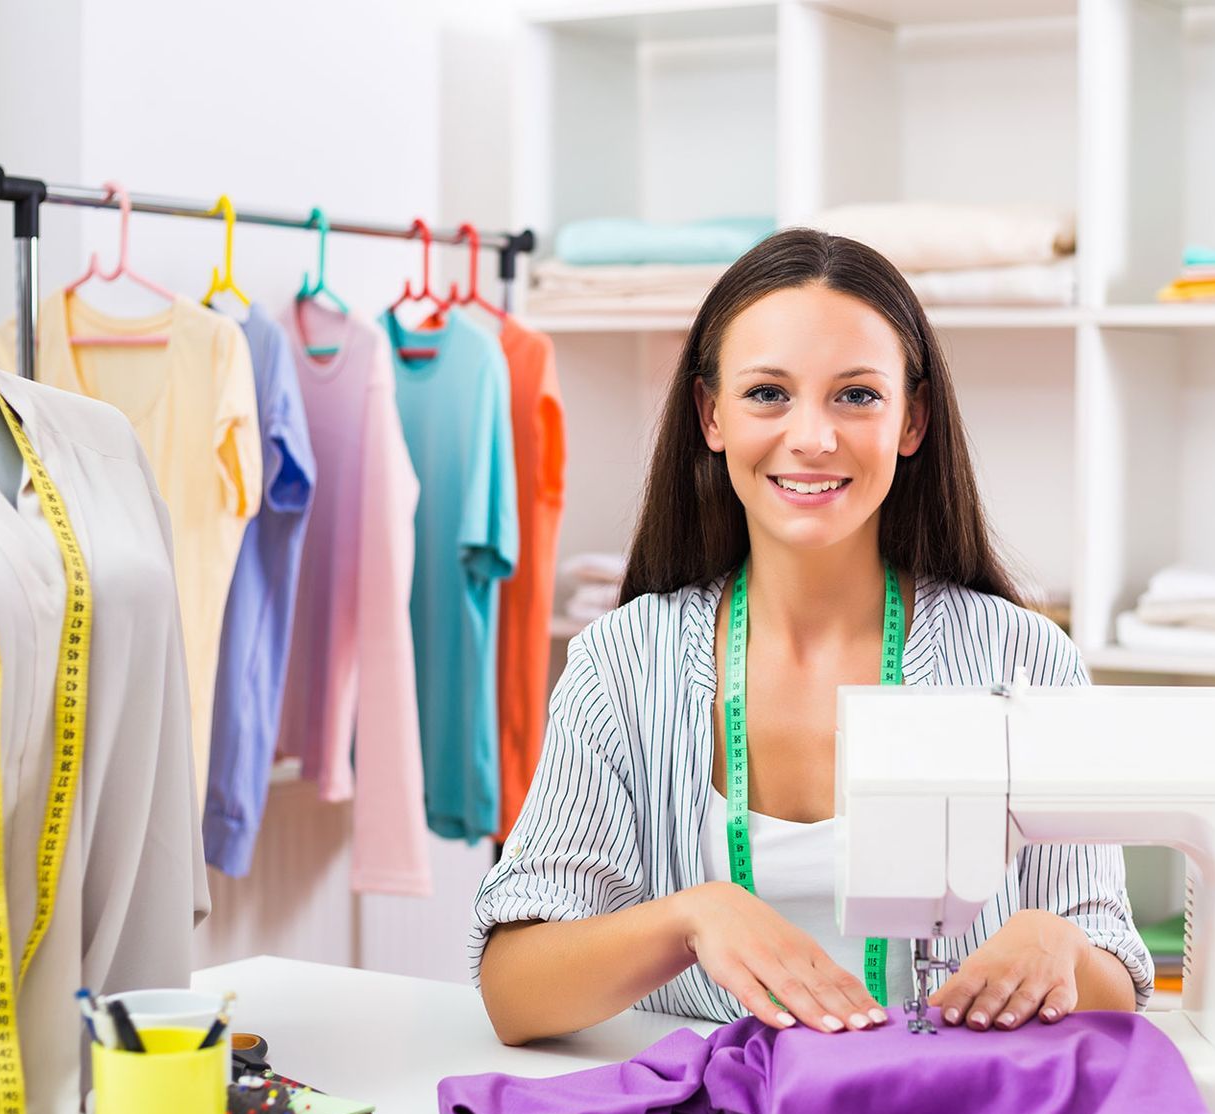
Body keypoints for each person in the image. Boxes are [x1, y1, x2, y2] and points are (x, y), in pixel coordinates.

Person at [472, 229, 1150, 1046]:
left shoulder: (1026, 663)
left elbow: (1115, 986)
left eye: (857, 395)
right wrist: (694, 917)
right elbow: (515, 993)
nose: (813, 437)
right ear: (710, 414)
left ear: (913, 419)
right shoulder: (622, 662)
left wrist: (1063, 945)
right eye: (768, 393)